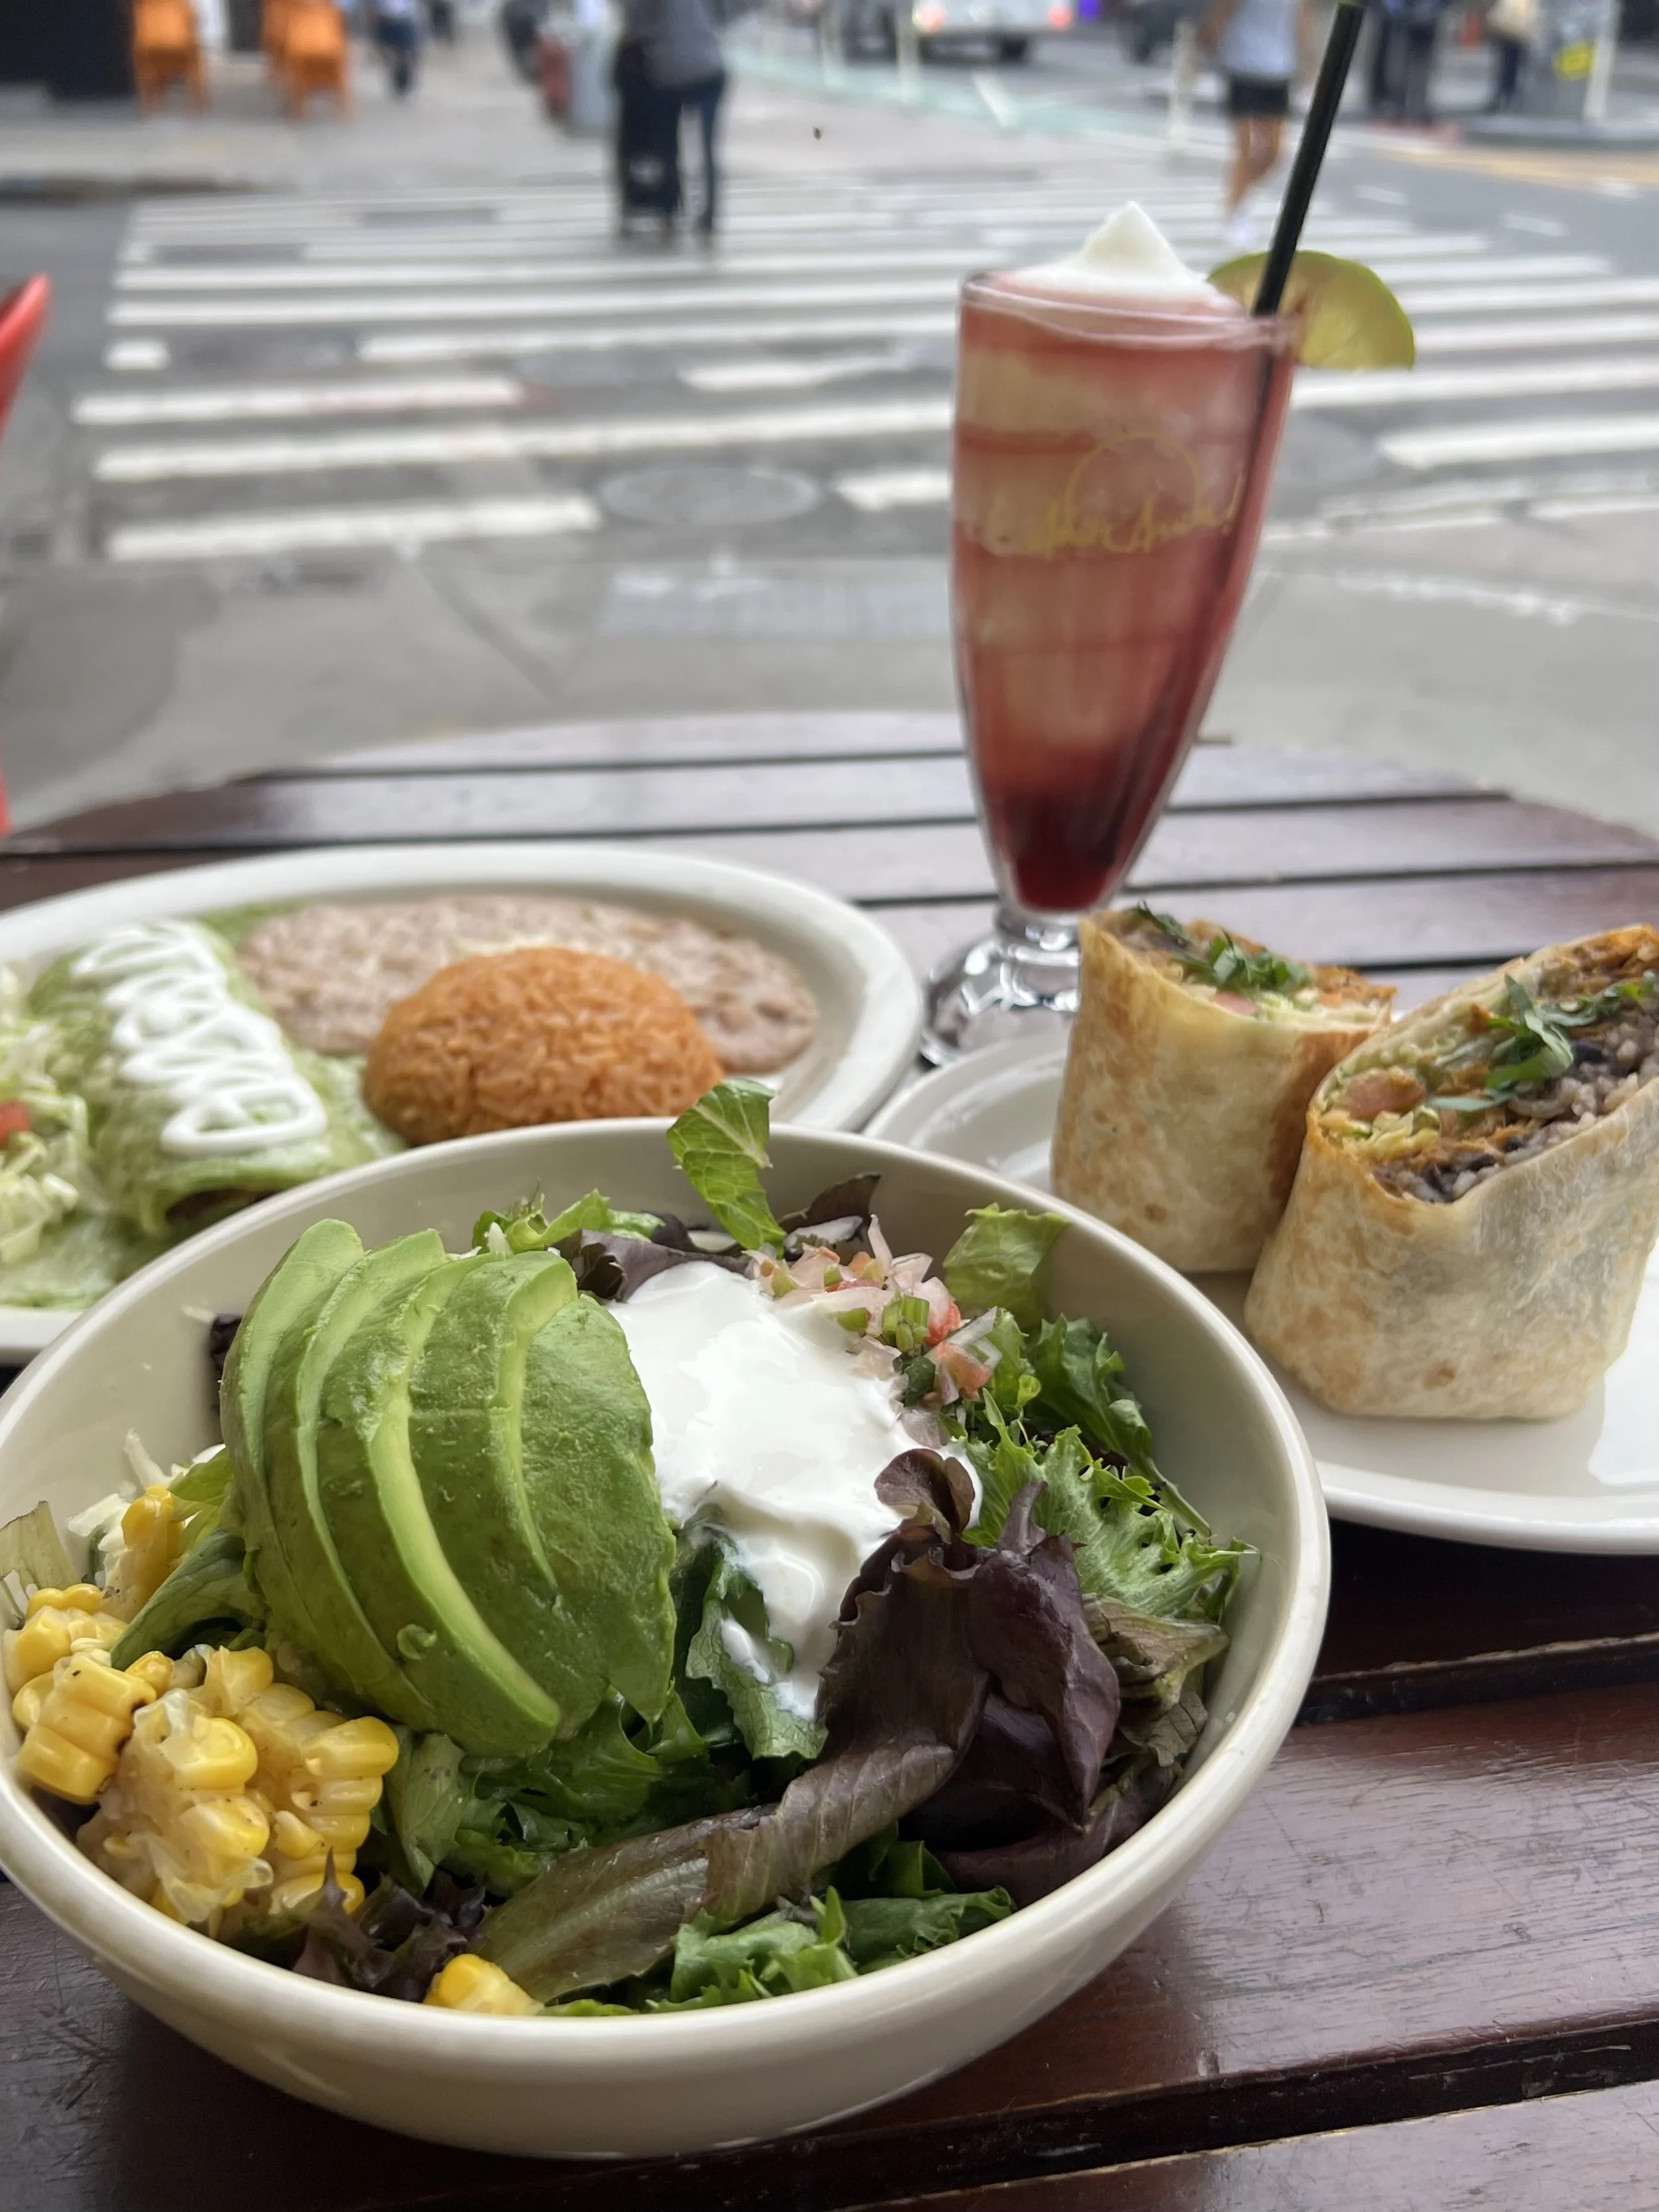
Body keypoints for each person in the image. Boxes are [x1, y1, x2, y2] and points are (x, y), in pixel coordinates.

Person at [1200, 0, 1311, 250]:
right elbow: (1222, 12)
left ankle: (1235, 193)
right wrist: (1210, 49)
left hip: (1279, 69)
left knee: (1275, 152)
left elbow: (1303, 19)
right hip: (1242, 66)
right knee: (1244, 147)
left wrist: (1308, 61)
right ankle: (1235, 211)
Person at [624, 0, 727, 238]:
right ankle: (710, 216)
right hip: (709, 67)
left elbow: (637, 29)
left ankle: (669, 212)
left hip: (668, 73)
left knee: (668, 147)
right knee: (708, 146)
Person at [1484, 0, 1536, 109]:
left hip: (1515, 32)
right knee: (1509, 66)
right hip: (1512, 31)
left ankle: (1506, 96)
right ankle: (1506, 96)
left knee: (1510, 66)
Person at [372, 0, 422, 92]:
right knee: (391, 55)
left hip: (404, 19)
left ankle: (405, 80)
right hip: (387, 19)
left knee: (405, 54)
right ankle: (397, 80)